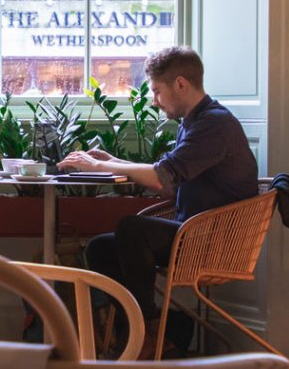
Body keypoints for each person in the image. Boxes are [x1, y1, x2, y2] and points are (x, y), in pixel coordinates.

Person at [58, 45, 258, 358]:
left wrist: (100, 166)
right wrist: (113, 160)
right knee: (100, 248)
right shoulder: (195, 123)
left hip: (213, 239)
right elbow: (170, 187)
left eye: (156, 91)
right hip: (192, 231)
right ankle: (148, 332)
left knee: (131, 229)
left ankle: (148, 334)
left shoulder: (213, 125)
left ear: (181, 84)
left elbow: (161, 177)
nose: (154, 101)